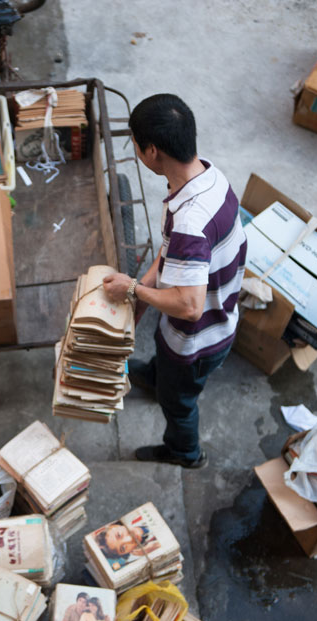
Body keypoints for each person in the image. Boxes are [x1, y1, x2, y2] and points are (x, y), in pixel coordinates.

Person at [102, 93, 246, 469]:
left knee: (179, 405)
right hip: (211, 320)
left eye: (133, 143)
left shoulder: (190, 223)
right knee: (165, 368)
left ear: (151, 151)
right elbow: (170, 251)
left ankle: (185, 453)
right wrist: (142, 290)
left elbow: (189, 305)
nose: (134, 150)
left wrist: (133, 290)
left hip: (197, 342)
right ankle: (156, 377)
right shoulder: (209, 177)